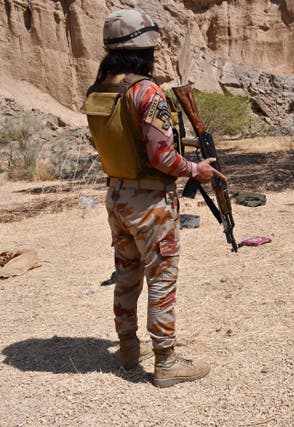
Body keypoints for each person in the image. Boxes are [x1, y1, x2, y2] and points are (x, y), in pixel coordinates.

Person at [81, 8, 225, 388]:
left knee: (127, 275)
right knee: (161, 278)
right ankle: (165, 361)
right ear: (146, 47)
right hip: (149, 204)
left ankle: (128, 348)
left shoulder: (100, 89)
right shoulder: (146, 91)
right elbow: (161, 156)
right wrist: (197, 170)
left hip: (118, 196)